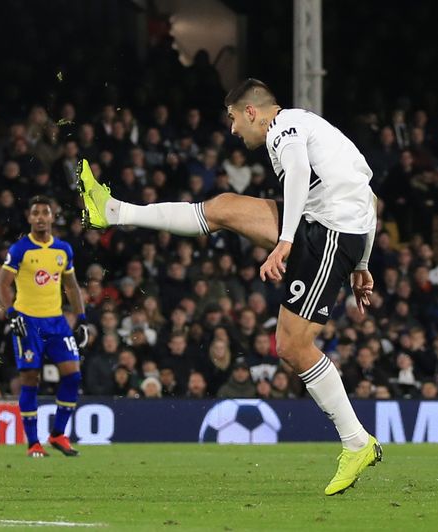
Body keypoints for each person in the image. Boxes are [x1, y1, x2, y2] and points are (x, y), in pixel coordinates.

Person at [78, 78, 381, 495]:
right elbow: (367, 196)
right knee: (222, 208)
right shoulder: (311, 128)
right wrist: (362, 262)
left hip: (326, 232)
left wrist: (287, 241)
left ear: (252, 111)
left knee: (291, 347)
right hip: (331, 228)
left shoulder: (285, 129)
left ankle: (356, 441)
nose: (234, 130)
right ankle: (112, 211)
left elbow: (297, 174)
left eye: (235, 119)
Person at [0, 196, 88, 458]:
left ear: (52, 216)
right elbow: (2, 284)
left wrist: (81, 319)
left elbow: (71, 286)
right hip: (28, 322)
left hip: (57, 322)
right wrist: (12, 313)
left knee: (73, 375)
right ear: (29, 217)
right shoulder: (20, 249)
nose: (40, 217)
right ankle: (33, 442)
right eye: (35, 213)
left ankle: (58, 434)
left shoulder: (63, 250)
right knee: (30, 380)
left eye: (45, 212)